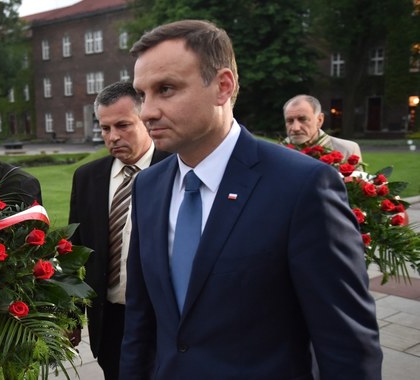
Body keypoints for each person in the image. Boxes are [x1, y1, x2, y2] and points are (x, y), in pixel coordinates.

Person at [120, 19, 382, 379]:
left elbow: (346, 345)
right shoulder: (148, 186)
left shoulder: (303, 186)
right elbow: (141, 317)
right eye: (142, 94)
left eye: (166, 89)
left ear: (222, 87)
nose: (146, 111)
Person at [68, 81, 170, 379]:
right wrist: (72, 315)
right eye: (105, 128)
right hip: (108, 317)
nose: (113, 137)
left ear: (146, 120)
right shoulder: (87, 177)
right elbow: (74, 251)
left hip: (160, 319)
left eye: (123, 125)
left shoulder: (175, 169)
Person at [283, 94, 362, 160]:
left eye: (303, 119)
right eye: (290, 121)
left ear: (319, 120)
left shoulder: (348, 150)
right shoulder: (275, 152)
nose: (295, 128)